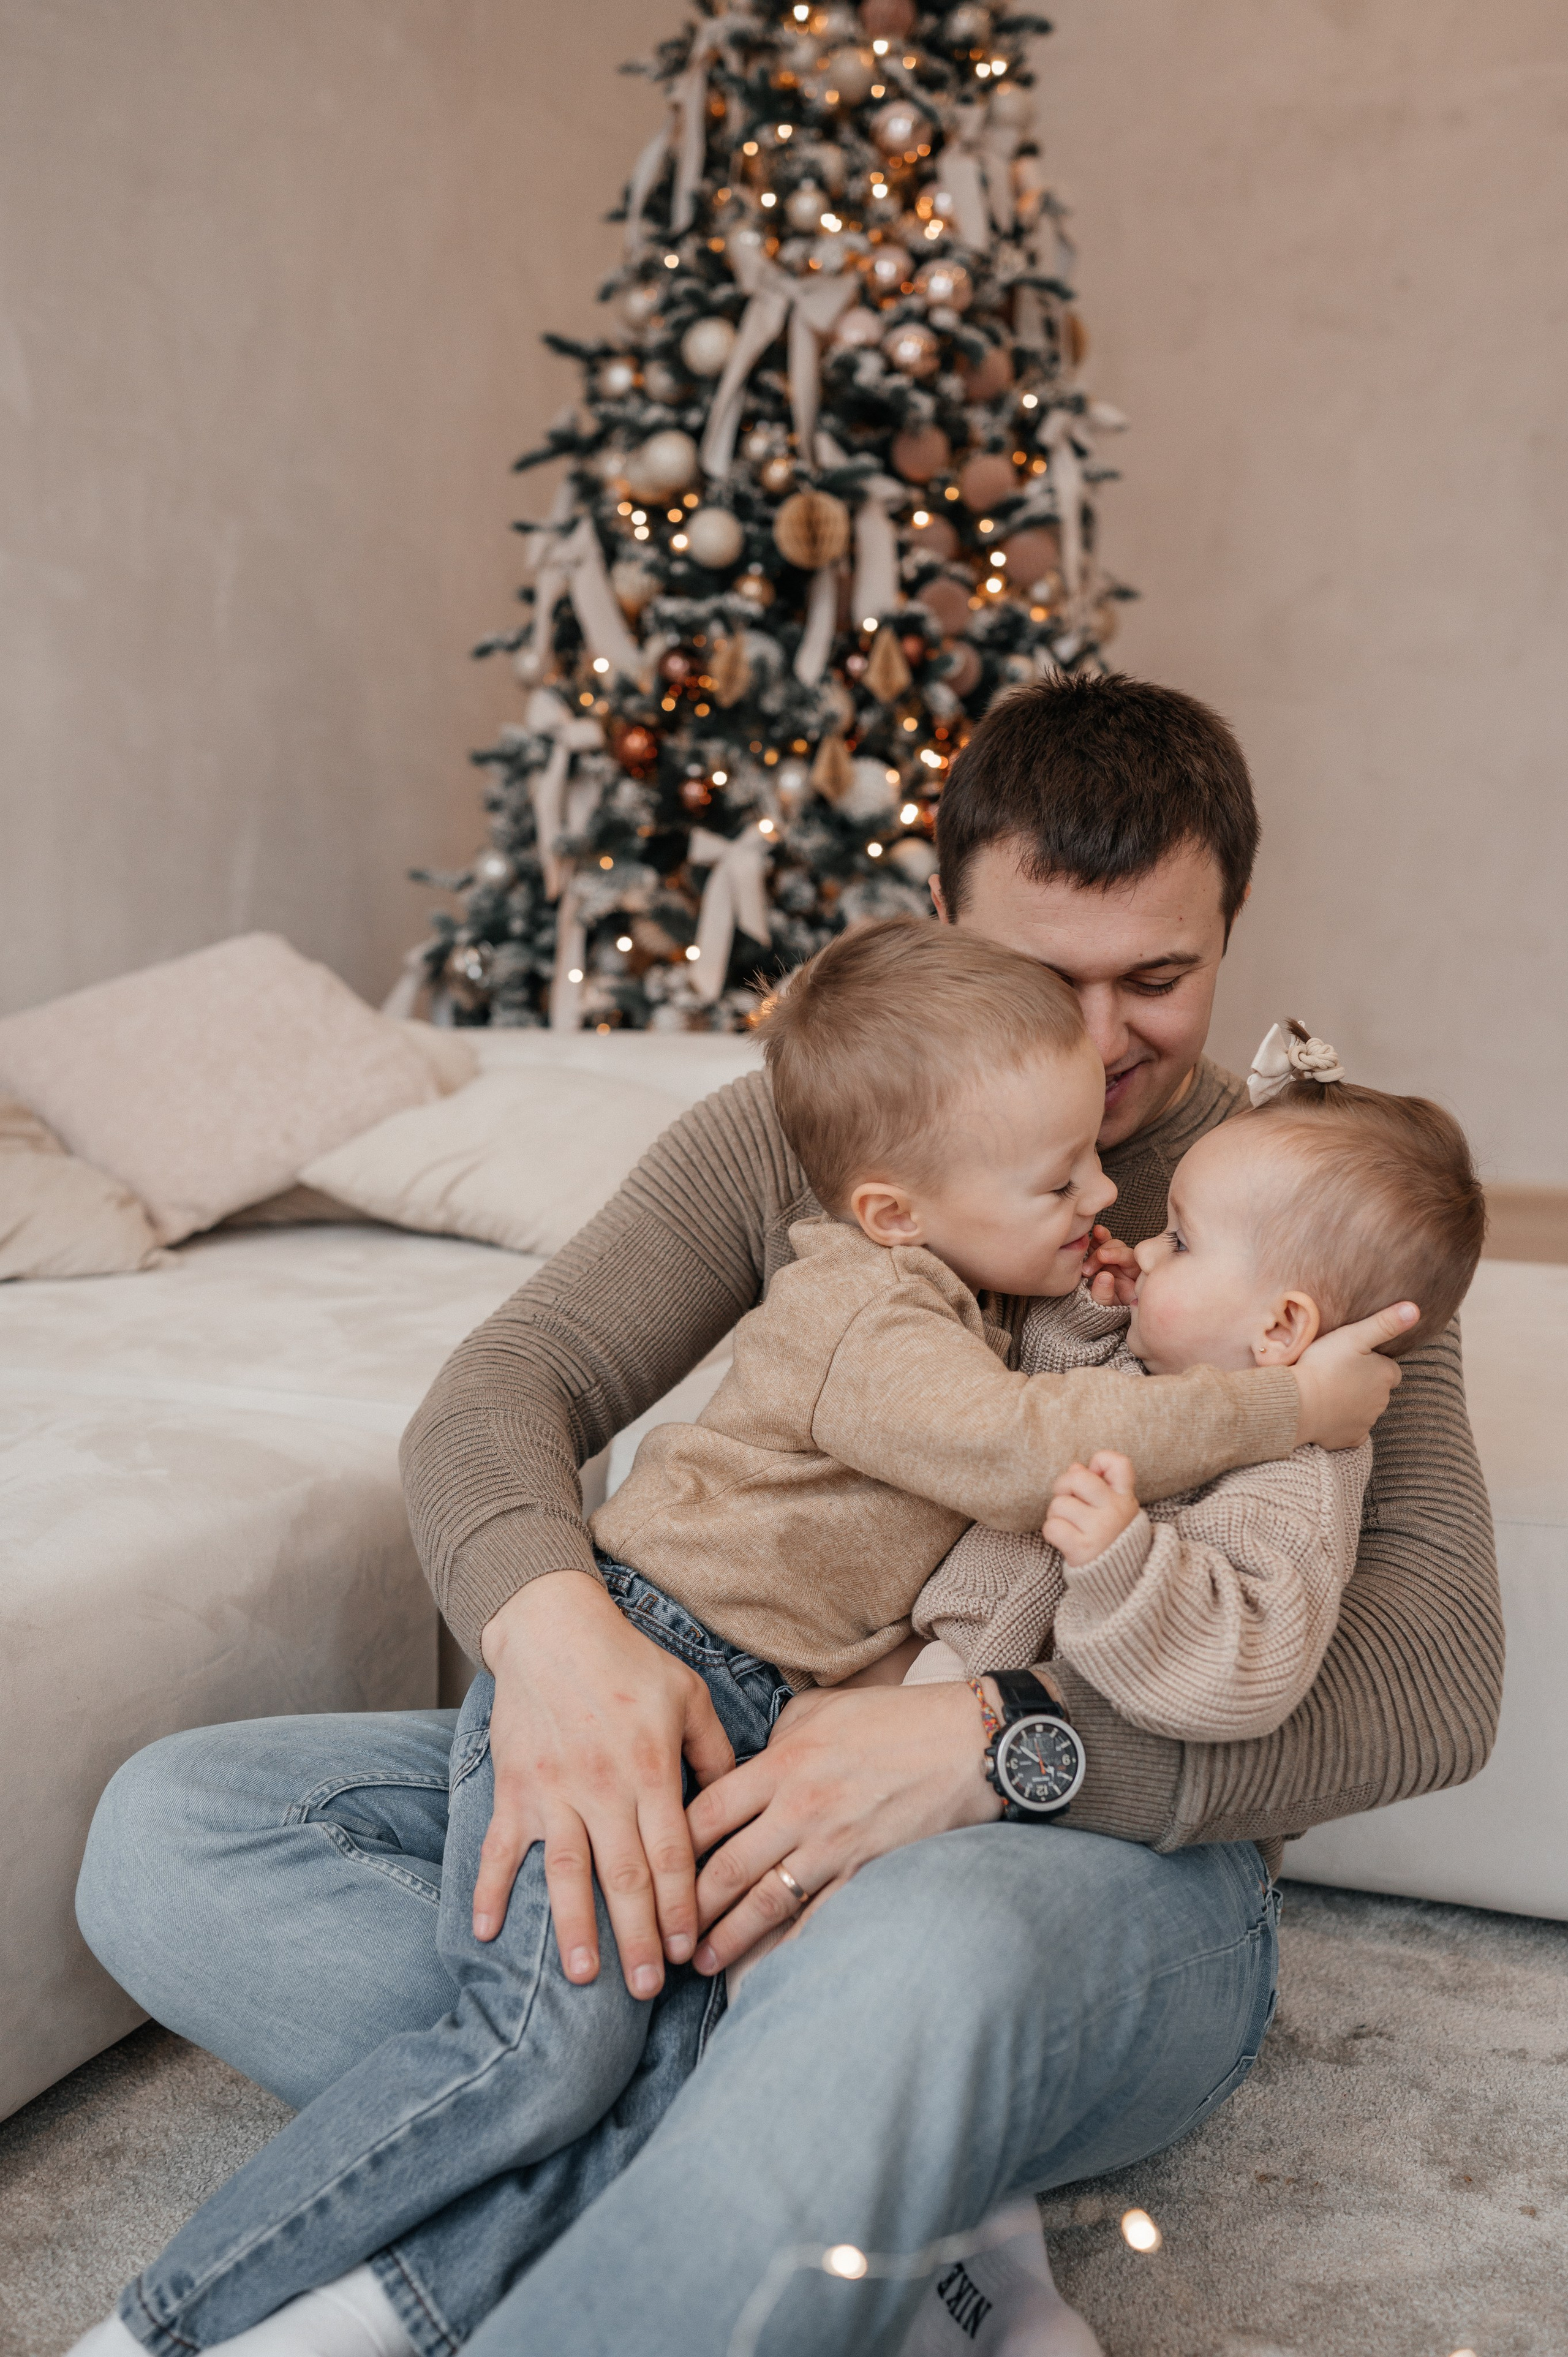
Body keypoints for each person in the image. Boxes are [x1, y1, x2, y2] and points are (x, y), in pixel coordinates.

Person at [75, 676, 1500, 2357]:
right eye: (1046, 978)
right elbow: (504, 1387)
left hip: (1094, 1869)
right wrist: (557, 1643)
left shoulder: (1305, 1210)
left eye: (1161, 981)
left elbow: (1432, 1680)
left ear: (1230, 934)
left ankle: (728, 2143)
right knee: (177, 1833)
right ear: (945, 917)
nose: (1106, 1040)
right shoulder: (832, 1116)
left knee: (908, 1959)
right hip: (739, 1758)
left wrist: (996, 1743)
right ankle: (864, 2195)